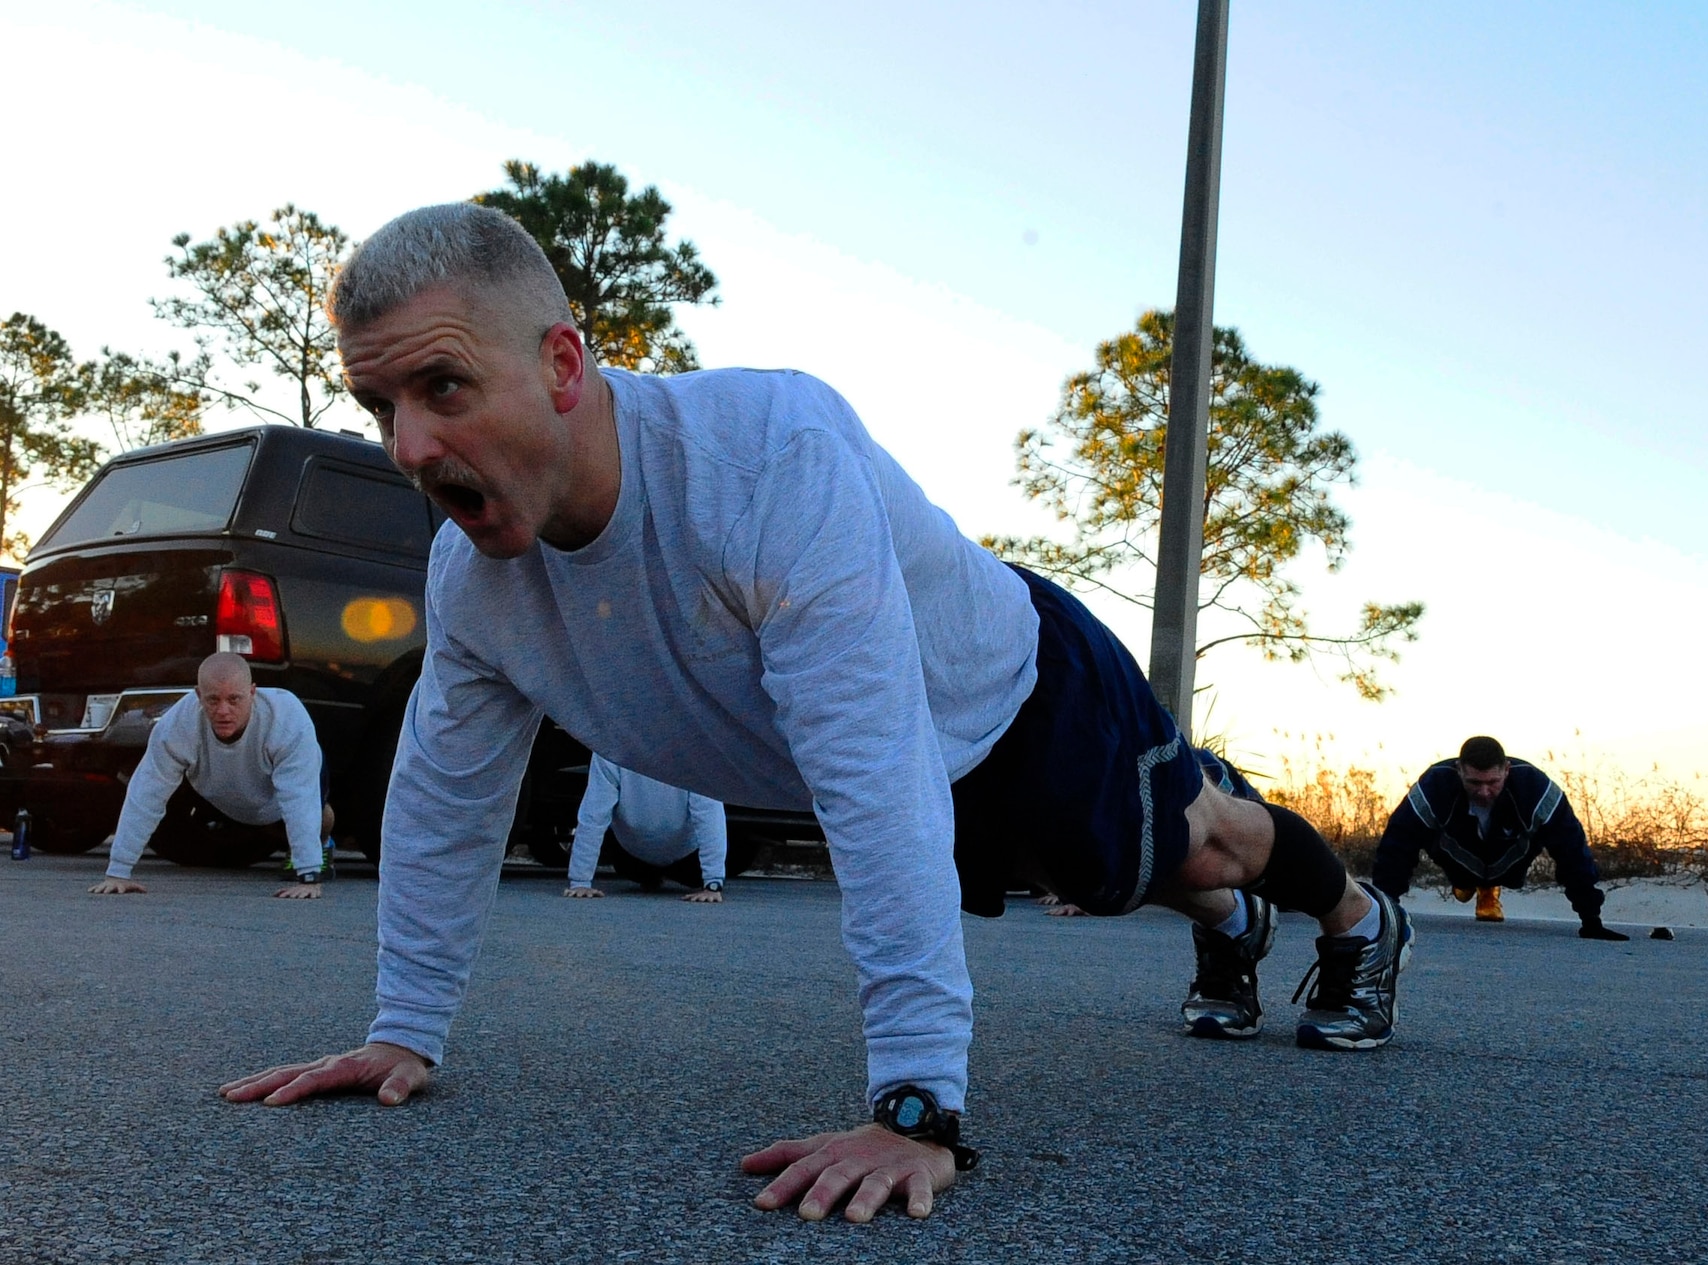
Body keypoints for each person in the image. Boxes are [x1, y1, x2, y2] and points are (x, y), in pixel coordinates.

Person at [218, 203, 1413, 1224]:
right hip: (910, 778)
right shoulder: (473, 581)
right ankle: (1226, 923)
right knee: (1120, 877)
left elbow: (871, 765)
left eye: (443, 387)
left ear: (564, 365)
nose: (411, 446)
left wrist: (917, 1103)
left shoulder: (763, 465)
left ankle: (1358, 916)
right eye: (381, 406)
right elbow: (444, 793)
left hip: (1019, 698)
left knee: (1192, 833)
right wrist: (402, 1029)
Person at [86, 652, 332, 899]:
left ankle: (319, 847)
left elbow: (299, 799)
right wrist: (118, 872)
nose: (223, 711)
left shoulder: (286, 718)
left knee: (319, 815)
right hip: (220, 795)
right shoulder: (177, 724)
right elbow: (145, 795)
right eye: (213, 700)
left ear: (253, 693)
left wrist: (309, 875)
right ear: (198, 695)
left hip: (277, 798)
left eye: (234, 699)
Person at [1371, 736, 1628, 940]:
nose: (1484, 792)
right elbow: (1396, 848)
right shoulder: (1433, 786)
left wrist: (1591, 919)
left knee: (1559, 840)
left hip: (1510, 864)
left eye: (1493, 782)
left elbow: (1572, 852)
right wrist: (1385, 911)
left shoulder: (1536, 789)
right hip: (1457, 861)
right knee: (1413, 833)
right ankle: (1472, 884)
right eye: (1474, 782)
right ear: (1458, 770)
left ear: (1507, 770)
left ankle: (1488, 889)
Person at [562, 754, 729, 901]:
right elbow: (594, 814)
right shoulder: (609, 749)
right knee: (635, 870)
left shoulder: (695, 753)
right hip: (632, 858)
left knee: (694, 875)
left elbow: (709, 816)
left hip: (686, 858)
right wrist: (580, 882)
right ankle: (652, 876)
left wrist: (712, 883)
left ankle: (659, 876)